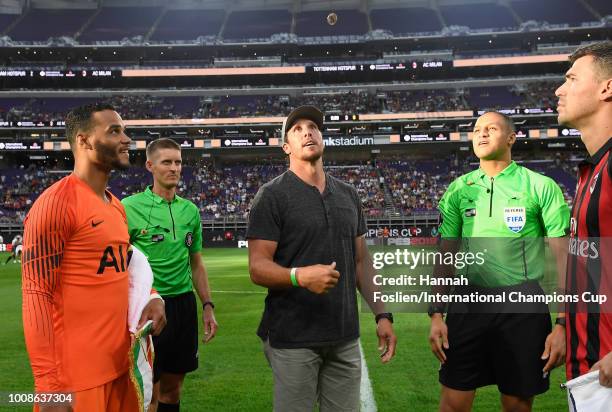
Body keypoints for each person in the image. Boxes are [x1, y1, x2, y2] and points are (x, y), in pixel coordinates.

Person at [247, 105, 397, 412]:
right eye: (297, 129)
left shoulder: (349, 194)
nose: (307, 132)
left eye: (313, 127)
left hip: (343, 335)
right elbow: (258, 266)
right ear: (286, 146)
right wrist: (298, 276)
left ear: (322, 137)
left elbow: (360, 261)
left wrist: (382, 315)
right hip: (292, 337)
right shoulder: (271, 195)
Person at [21, 103, 166, 412]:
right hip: (76, 381)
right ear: (83, 141)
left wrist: (152, 296)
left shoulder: (116, 207)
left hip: (119, 368)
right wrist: (49, 389)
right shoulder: (55, 205)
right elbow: (36, 296)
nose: (126, 139)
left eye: (124, 130)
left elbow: (123, 266)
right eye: (114, 131)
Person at [429, 111, 570, 412]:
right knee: (453, 402)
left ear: (510, 137)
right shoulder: (458, 189)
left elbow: (565, 259)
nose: (480, 134)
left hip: (522, 305)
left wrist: (562, 323)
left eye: (490, 128)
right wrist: (436, 314)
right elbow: (446, 256)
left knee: (517, 404)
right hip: (468, 303)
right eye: (476, 129)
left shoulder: (541, 187)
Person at [122, 138, 218, 412]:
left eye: (177, 162)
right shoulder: (129, 208)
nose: (174, 168)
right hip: (147, 308)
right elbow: (120, 261)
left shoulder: (190, 211)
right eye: (167, 162)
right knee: (148, 391)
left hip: (183, 306)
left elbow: (196, 262)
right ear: (150, 165)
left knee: (172, 390)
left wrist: (208, 305)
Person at [555, 41, 612, 387]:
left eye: (572, 79)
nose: (559, 89)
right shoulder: (591, 172)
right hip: (587, 371)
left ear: (607, 88)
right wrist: (563, 326)